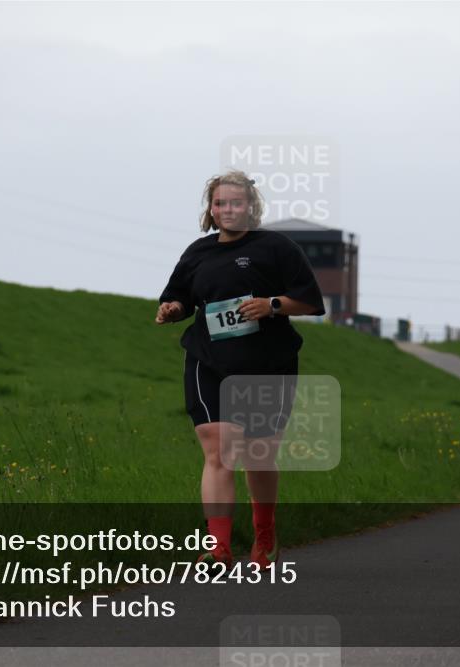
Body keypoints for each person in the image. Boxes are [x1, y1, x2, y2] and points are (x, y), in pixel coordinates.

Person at [155, 170, 325, 571]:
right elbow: (178, 297)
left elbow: (311, 301)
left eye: (235, 202)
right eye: (219, 203)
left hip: (268, 362)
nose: (227, 209)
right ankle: (218, 547)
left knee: (258, 454)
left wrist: (273, 306)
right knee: (219, 450)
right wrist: (172, 309)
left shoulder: (276, 247)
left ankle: (264, 534)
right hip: (208, 360)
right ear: (210, 210)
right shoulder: (197, 252)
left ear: (251, 206)